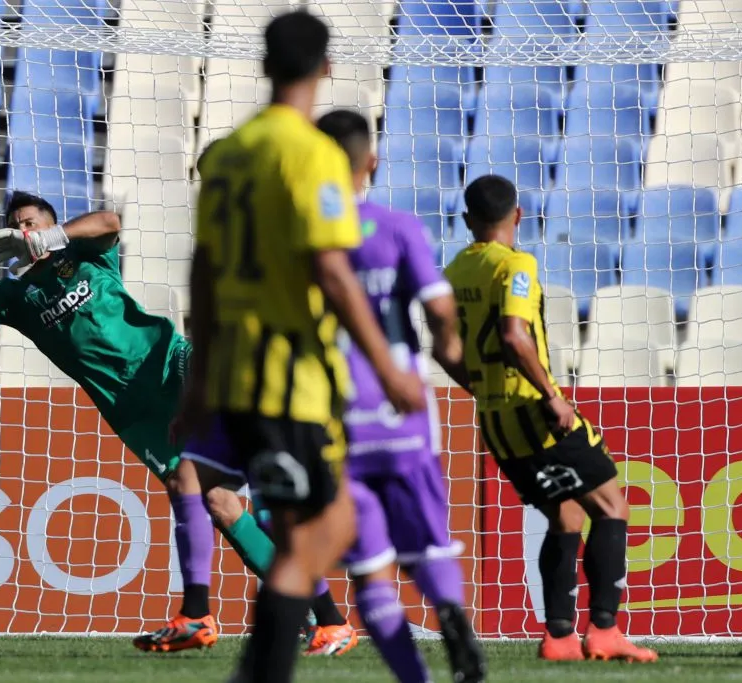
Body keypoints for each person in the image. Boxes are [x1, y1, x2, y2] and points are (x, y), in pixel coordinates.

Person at [0, 190, 351, 655]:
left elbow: (109, 220)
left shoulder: (84, 255)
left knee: (254, 474)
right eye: (17, 225)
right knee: (218, 503)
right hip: (131, 413)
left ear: (49, 225)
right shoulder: (15, 297)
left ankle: (282, 611)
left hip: (171, 366)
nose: (23, 231)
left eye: (31, 222)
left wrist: (50, 237)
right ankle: (316, 618)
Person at [177, 10, 425, 683]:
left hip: (232, 375)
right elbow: (333, 270)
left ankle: (269, 663)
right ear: (327, 68)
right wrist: (387, 366)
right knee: (313, 534)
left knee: (305, 530)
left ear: (263, 64)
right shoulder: (313, 153)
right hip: (291, 380)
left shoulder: (225, 157)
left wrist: (199, 378)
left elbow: (202, 268)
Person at [441, 175, 658, 664]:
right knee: (612, 507)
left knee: (565, 514)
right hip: (534, 412)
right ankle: (604, 629)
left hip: (494, 420)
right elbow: (515, 335)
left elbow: (443, 345)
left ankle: (560, 637)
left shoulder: (455, 270)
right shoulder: (517, 264)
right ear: (518, 215)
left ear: (467, 221)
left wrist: (478, 385)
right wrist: (552, 396)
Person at [315, 109, 487, 683]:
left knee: (369, 570)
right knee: (430, 542)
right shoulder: (397, 227)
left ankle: (415, 678)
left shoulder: (296, 237)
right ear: (372, 162)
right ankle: (453, 616)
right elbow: (440, 311)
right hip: (401, 405)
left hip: (331, 414)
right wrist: (447, 356)